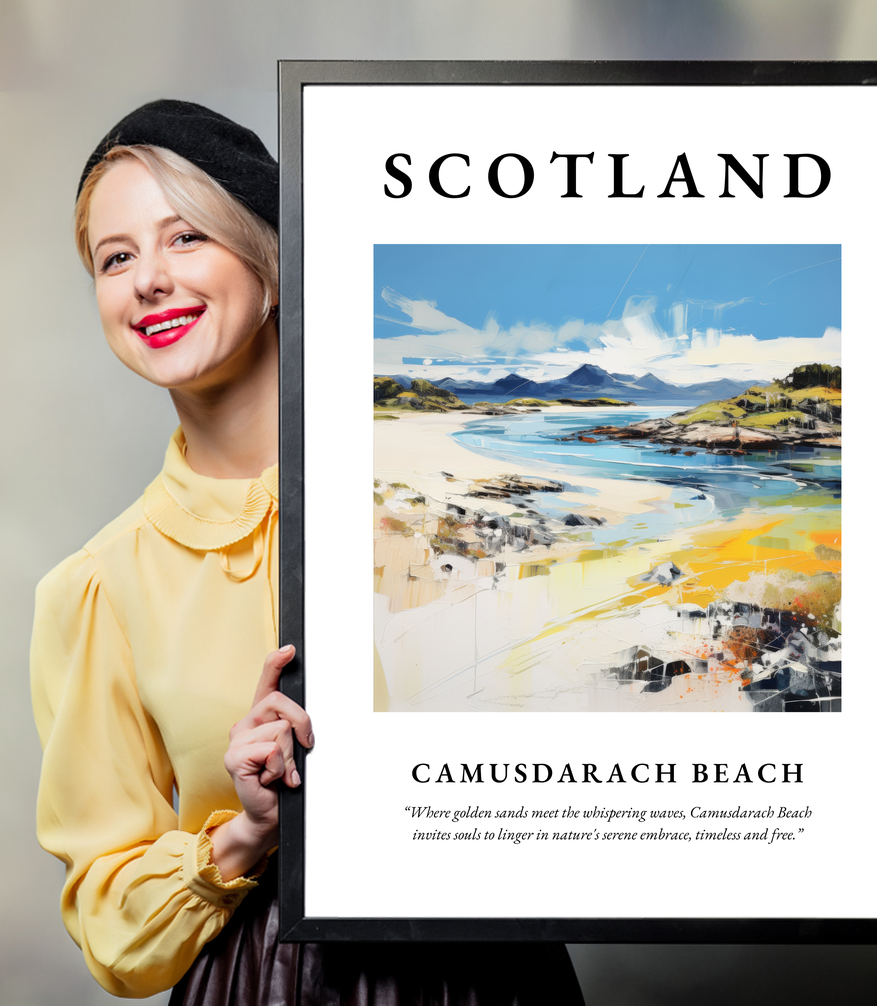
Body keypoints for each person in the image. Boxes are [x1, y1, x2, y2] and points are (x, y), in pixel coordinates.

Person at [30, 100, 586, 1004]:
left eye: (185, 239)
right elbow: (110, 923)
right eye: (116, 257)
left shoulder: (453, 491)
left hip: (492, 973)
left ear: (273, 263)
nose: (148, 281)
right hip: (262, 982)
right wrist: (245, 832)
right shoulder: (97, 587)